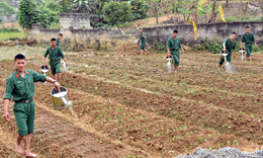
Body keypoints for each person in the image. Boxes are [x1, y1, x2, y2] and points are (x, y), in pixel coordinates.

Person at [3, 54, 60, 157]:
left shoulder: (30, 74)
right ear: (15, 63)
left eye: (22, 63)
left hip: (31, 105)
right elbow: (7, 95)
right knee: (22, 131)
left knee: (29, 130)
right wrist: (6, 111)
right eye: (19, 63)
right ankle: (18, 143)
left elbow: (43, 77)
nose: (21, 65)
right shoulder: (11, 79)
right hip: (19, 106)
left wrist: (54, 81)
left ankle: (27, 151)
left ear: (25, 63)